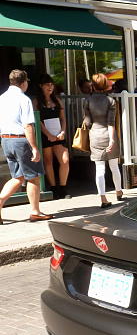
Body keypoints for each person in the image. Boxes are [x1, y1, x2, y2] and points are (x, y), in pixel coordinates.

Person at [0, 69, 54, 224]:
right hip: (21, 141)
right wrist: (35, 147)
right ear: (24, 82)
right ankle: (35, 212)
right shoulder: (24, 99)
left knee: (18, 177)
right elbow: (28, 125)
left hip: (6, 139)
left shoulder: (2, 98)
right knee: (34, 177)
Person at [83, 73, 123, 208]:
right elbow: (111, 123)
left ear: (92, 86)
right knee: (114, 166)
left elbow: (87, 123)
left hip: (94, 135)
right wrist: (112, 140)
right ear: (106, 85)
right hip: (108, 135)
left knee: (99, 169)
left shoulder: (87, 101)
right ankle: (118, 191)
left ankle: (103, 198)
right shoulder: (111, 101)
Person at [32, 74, 70, 199]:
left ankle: (63, 188)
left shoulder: (57, 100)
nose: (50, 87)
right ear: (40, 86)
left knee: (64, 160)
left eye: (52, 84)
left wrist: (63, 131)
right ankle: (54, 188)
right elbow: (38, 121)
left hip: (58, 134)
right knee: (48, 161)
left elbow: (63, 119)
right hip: (45, 136)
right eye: (47, 84)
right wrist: (48, 134)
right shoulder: (36, 102)